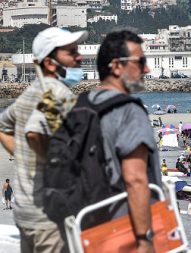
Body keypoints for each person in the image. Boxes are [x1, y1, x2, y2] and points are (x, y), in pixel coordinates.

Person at [0, 27, 88, 253]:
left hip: (26, 212)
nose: (80, 57)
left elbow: (3, 126)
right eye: (71, 52)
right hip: (49, 218)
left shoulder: (33, 91)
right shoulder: (58, 93)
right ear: (50, 63)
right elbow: (35, 131)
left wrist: (23, 156)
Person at [88, 30, 166, 252]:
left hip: (89, 230)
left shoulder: (82, 106)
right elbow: (135, 180)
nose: (147, 69)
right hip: (125, 231)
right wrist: (144, 239)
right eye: (140, 61)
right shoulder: (128, 111)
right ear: (116, 66)